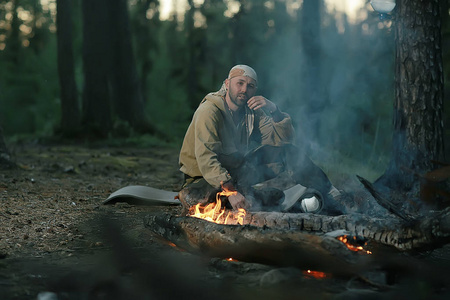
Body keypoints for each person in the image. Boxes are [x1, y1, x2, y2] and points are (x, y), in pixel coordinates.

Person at [178, 65, 344, 214]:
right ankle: (249, 195)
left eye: (250, 86)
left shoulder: (251, 111)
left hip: (237, 173)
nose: (244, 89)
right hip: (205, 180)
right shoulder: (209, 111)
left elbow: (282, 140)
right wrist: (231, 192)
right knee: (205, 200)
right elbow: (206, 159)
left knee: (288, 152)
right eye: (240, 83)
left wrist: (274, 110)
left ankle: (331, 195)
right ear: (227, 84)